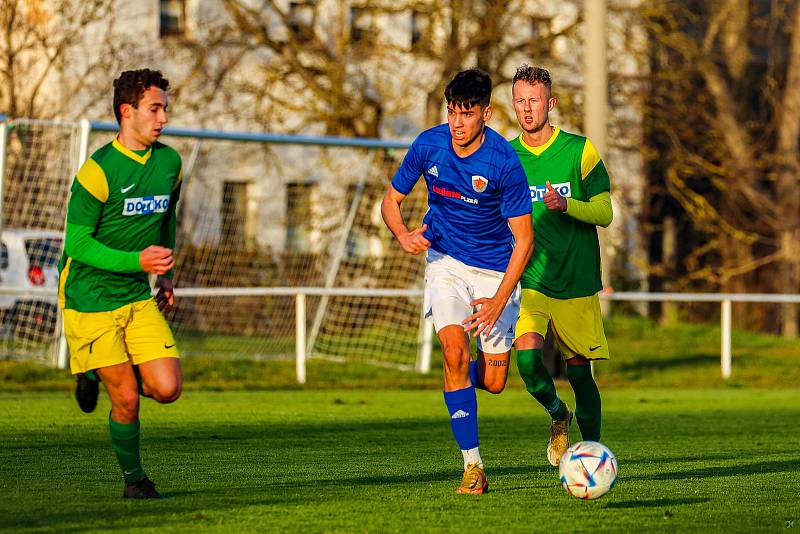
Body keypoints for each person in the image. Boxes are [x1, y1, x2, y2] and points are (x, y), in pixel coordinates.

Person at [381, 68, 533, 494]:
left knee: (495, 383)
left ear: (486, 113)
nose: (457, 123)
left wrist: (499, 301)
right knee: (452, 349)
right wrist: (402, 234)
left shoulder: (503, 161)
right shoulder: (428, 144)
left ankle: (460, 377)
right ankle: (473, 466)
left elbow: (524, 242)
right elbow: (391, 200)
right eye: (452, 113)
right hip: (446, 261)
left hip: (495, 272)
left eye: (466, 114)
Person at [58, 68, 183, 499]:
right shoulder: (97, 171)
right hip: (88, 298)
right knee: (127, 399)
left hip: (135, 294)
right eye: (155, 108)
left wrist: (163, 272)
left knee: (168, 389)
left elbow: (166, 221)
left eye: (165, 107)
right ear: (126, 112)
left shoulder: (170, 162)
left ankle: (99, 370)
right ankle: (135, 483)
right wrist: (138, 260)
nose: (163, 117)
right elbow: (75, 243)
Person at [509, 64, 613, 466]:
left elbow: (605, 212)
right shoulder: (506, 156)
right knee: (529, 362)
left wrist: (565, 204)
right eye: (520, 101)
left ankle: (594, 455)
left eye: (534, 100)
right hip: (530, 281)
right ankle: (558, 414)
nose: (527, 108)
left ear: (550, 103)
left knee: (579, 374)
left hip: (576, 282)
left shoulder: (580, 151)